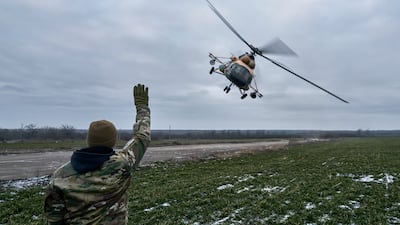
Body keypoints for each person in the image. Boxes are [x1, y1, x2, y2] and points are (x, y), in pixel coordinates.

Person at [44, 84, 151, 225]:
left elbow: (53, 219)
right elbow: (142, 137)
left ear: (89, 140)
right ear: (113, 141)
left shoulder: (60, 176)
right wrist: (142, 107)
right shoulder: (122, 165)